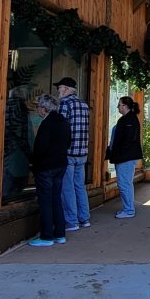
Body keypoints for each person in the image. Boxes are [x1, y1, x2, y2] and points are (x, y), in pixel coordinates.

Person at [28, 93, 69, 247]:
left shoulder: (46, 124)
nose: (38, 109)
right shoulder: (63, 121)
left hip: (46, 167)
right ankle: (60, 233)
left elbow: (41, 148)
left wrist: (34, 164)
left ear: (44, 109)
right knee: (56, 198)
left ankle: (46, 236)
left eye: (39, 106)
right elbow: (68, 142)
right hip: (61, 164)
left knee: (45, 201)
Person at [56, 76, 91, 231]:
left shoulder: (65, 103)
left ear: (66, 89)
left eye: (59, 88)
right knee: (79, 187)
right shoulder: (83, 104)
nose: (58, 91)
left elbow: (61, 127)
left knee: (67, 187)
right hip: (82, 152)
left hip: (68, 152)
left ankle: (71, 221)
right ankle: (84, 218)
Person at [106, 95, 143, 219]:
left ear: (125, 106)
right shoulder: (127, 119)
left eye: (119, 104)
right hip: (124, 157)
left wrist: (118, 154)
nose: (117, 107)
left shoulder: (129, 120)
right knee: (126, 183)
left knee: (124, 184)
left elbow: (127, 141)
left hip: (125, 158)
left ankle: (129, 210)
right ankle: (128, 209)